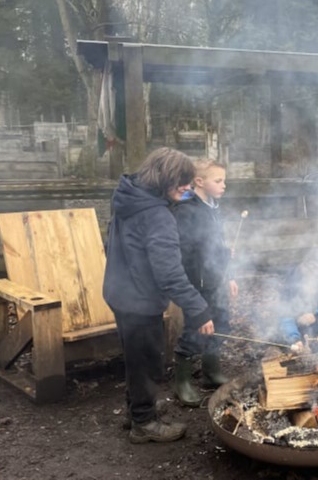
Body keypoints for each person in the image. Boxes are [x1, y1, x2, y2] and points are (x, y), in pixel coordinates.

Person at [103, 147, 215, 444]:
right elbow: (169, 273)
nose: (189, 188)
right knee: (148, 361)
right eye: (183, 183)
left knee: (135, 358)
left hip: (119, 290)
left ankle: (137, 412)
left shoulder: (128, 197)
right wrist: (199, 309)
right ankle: (144, 424)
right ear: (166, 179)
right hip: (139, 300)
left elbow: (111, 242)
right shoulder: (157, 216)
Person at [171, 158, 238, 406]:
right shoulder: (186, 210)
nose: (224, 185)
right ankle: (182, 382)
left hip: (216, 279)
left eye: (224, 180)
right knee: (195, 328)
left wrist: (228, 274)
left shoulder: (213, 207)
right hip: (197, 283)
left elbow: (219, 246)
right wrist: (191, 286)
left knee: (219, 323)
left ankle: (211, 371)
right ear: (199, 181)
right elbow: (184, 251)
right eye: (218, 180)